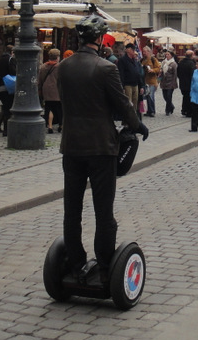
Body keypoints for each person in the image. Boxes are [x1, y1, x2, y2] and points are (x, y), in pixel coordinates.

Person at [56, 16, 149, 285]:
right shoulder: (105, 69)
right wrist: (137, 125)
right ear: (99, 39)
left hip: (71, 146)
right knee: (102, 209)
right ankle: (107, 261)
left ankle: (75, 262)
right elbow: (122, 104)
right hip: (101, 148)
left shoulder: (63, 67)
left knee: (71, 209)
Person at [0, 44, 16, 136]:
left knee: (5, 107)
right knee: (8, 109)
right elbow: (13, 72)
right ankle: (6, 130)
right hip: (8, 86)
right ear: (12, 52)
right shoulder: (10, 60)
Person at [38, 48, 62, 134]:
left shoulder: (44, 66)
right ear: (57, 57)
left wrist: (40, 89)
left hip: (46, 90)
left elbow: (40, 79)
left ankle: (50, 126)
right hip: (57, 90)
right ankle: (60, 125)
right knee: (59, 108)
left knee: (49, 107)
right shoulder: (60, 67)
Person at [117, 43, 144, 116]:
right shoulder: (122, 60)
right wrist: (122, 87)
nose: (134, 51)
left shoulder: (134, 60)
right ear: (128, 50)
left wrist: (141, 85)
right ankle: (127, 120)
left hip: (135, 84)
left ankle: (134, 119)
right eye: (133, 49)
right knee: (128, 103)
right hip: (127, 85)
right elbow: (121, 74)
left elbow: (138, 73)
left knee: (135, 103)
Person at [141, 46, 161, 117]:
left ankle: (152, 111)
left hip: (152, 81)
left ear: (149, 52)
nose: (144, 53)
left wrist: (153, 70)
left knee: (151, 96)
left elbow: (158, 68)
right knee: (146, 96)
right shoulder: (142, 60)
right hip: (145, 81)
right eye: (143, 52)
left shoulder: (153, 59)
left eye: (145, 52)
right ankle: (148, 111)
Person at [177, 49, 196, 117]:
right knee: (189, 97)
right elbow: (193, 74)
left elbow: (178, 73)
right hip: (189, 83)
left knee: (185, 97)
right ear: (192, 56)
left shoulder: (181, 62)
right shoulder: (191, 63)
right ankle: (189, 111)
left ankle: (184, 110)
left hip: (182, 83)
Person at [158, 50, 178, 115]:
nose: (167, 55)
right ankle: (171, 106)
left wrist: (174, 83)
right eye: (166, 54)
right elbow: (161, 70)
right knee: (165, 96)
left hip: (171, 82)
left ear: (171, 55)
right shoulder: (163, 62)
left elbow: (175, 74)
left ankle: (167, 110)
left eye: (168, 54)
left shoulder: (174, 63)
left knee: (169, 96)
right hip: (164, 82)